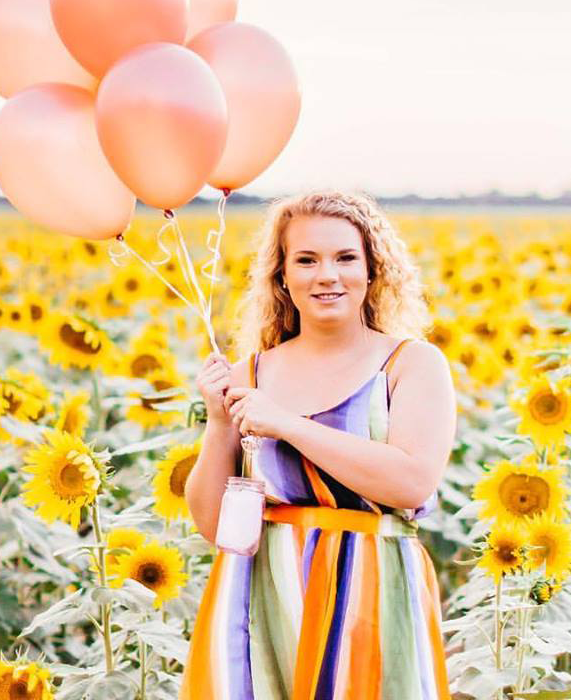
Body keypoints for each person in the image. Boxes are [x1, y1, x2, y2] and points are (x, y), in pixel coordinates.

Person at [179, 189, 456, 699]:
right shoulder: (251, 374)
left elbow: (411, 482)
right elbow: (214, 523)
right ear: (281, 275)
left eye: (346, 258)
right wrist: (220, 425)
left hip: (370, 595)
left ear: (372, 270)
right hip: (261, 599)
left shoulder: (412, 365)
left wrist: (287, 424)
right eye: (306, 260)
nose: (327, 275)